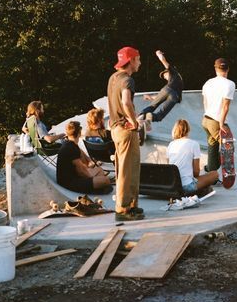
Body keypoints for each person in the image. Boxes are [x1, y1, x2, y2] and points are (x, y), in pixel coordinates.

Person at [107, 46, 144, 221]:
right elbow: (126, 102)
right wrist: (135, 121)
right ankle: (123, 209)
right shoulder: (127, 80)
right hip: (126, 129)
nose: (140, 63)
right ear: (131, 61)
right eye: (138, 59)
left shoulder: (113, 78)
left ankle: (131, 206)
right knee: (127, 170)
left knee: (126, 168)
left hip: (115, 127)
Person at [56, 121, 112, 193]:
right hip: (69, 183)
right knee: (106, 180)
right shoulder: (72, 148)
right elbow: (82, 172)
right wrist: (92, 178)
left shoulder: (68, 142)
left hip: (69, 177)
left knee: (99, 170)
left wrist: (92, 172)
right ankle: (95, 187)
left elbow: (81, 161)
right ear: (79, 133)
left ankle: (97, 186)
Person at [201, 58, 236, 173]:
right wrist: (221, 123)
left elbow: (204, 102)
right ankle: (226, 173)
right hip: (217, 122)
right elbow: (225, 106)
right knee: (229, 148)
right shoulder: (230, 84)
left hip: (206, 120)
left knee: (213, 147)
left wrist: (208, 114)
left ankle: (211, 172)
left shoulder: (208, 83)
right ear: (228, 69)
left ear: (215, 69)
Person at [167, 119, 218, 195]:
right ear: (188, 130)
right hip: (187, 186)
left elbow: (169, 167)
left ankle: (201, 188)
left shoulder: (170, 145)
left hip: (173, 186)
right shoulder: (194, 144)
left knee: (199, 179)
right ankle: (202, 189)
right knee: (214, 174)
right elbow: (196, 172)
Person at [138, 50, 183, 123]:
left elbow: (163, 61)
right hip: (173, 96)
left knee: (152, 106)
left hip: (167, 90)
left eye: (165, 75)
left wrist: (158, 54)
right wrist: (151, 97)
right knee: (160, 115)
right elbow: (164, 96)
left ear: (168, 72)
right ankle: (149, 117)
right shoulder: (177, 82)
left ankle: (141, 115)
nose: (165, 77)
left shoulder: (173, 71)